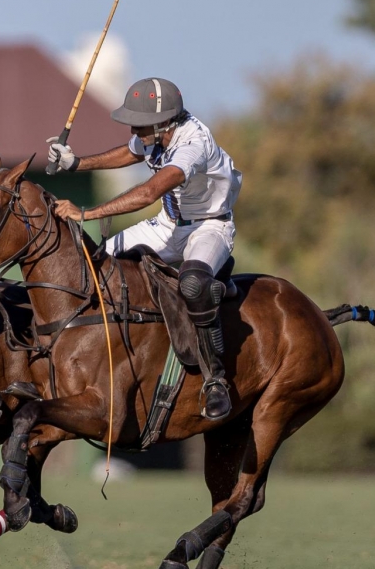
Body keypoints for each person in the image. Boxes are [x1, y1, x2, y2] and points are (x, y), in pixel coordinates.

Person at [46, 78, 241, 421]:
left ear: (164, 122)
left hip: (210, 225)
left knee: (193, 285)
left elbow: (150, 191)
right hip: (169, 223)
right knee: (95, 264)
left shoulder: (192, 143)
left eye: (139, 122)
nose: (133, 128)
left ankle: (215, 381)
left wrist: (88, 213)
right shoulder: (157, 132)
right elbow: (130, 151)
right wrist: (76, 164)